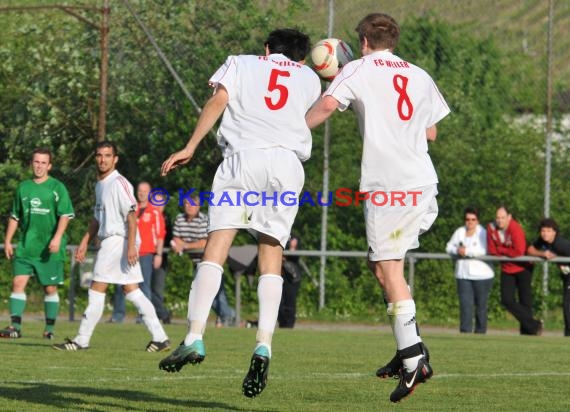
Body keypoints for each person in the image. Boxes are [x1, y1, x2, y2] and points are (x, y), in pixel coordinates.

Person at [158, 28, 321, 399]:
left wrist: (191, 145)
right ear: (300, 58)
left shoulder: (241, 62)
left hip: (243, 161)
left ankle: (195, 337)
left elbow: (218, 101)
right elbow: (307, 111)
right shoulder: (310, 78)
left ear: (266, 48)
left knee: (218, 245)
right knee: (271, 253)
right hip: (286, 165)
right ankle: (263, 344)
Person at [305, 13, 449, 402]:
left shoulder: (356, 69)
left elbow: (325, 107)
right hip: (421, 182)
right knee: (381, 266)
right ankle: (410, 344)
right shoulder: (419, 75)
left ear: (364, 40)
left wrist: (292, 130)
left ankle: (414, 358)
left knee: (388, 267)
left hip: (390, 186)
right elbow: (432, 131)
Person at [52, 141, 170, 352]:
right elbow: (96, 219)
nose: (103, 159)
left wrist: (132, 246)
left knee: (97, 287)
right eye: (99, 155)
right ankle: (160, 337)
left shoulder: (119, 183)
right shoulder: (100, 185)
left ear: (115, 159)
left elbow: (132, 216)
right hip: (116, 241)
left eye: (107, 155)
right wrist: (84, 241)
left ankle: (82, 339)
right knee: (131, 290)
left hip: (119, 240)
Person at [1, 148, 74, 340]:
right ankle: (15, 327)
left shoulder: (57, 187)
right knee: (17, 283)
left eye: (43, 163)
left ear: (49, 166)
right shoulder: (23, 187)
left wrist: (57, 237)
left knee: (49, 289)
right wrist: (8, 240)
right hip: (26, 246)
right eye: (36, 162)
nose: (39, 166)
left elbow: (65, 215)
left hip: (49, 248)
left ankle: (49, 329)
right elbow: (15, 216)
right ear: (31, 164)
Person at [110, 181, 166, 323]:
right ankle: (118, 315)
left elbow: (160, 235)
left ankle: (144, 316)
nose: (142, 193)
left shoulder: (154, 212)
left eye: (145, 191)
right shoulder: (130, 209)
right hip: (128, 252)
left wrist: (158, 254)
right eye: (140, 191)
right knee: (120, 283)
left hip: (146, 253)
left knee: (144, 286)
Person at [487, 205, 542, 335]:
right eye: (498, 217)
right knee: (507, 300)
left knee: (525, 301)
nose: (500, 220)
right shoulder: (491, 228)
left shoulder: (515, 228)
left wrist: (501, 249)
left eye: (503, 217)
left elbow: (518, 250)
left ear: (509, 217)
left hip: (523, 267)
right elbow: (492, 250)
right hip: (507, 267)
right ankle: (535, 325)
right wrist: (505, 252)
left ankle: (528, 332)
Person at [445, 207, 494, 334]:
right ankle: (465, 332)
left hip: (482, 276)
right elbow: (449, 246)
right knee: (465, 305)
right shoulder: (459, 231)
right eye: (467, 219)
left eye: (473, 219)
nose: (470, 222)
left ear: (477, 220)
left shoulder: (483, 232)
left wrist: (467, 252)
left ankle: (480, 332)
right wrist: (456, 250)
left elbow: (485, 250)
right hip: (463, 275)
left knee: (481, 306)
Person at [527, 218, 570, 336]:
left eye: (548, 231)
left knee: (568, 305)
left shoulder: (561, 244)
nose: (545, 233)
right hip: (566, 277)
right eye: (543, 230)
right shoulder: (543, 241)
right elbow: (530, 249)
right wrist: (542, 253)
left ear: (555, 232)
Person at [151, 192, 172, 324]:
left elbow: (168, 239)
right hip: (145, 256)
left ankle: (163, 314)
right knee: (145, 288)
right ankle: (158, 314)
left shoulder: (167, 220)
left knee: (156, 290)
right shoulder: (145, 216)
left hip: (161, 259)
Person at [278, 235, 302, 328]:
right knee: (279, 302)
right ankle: (282, 323)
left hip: (291, 277)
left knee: (290, 301)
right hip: (280, 275)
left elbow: (294, 252)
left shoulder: (293, 237)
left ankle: (288, 325)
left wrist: (292, 247)